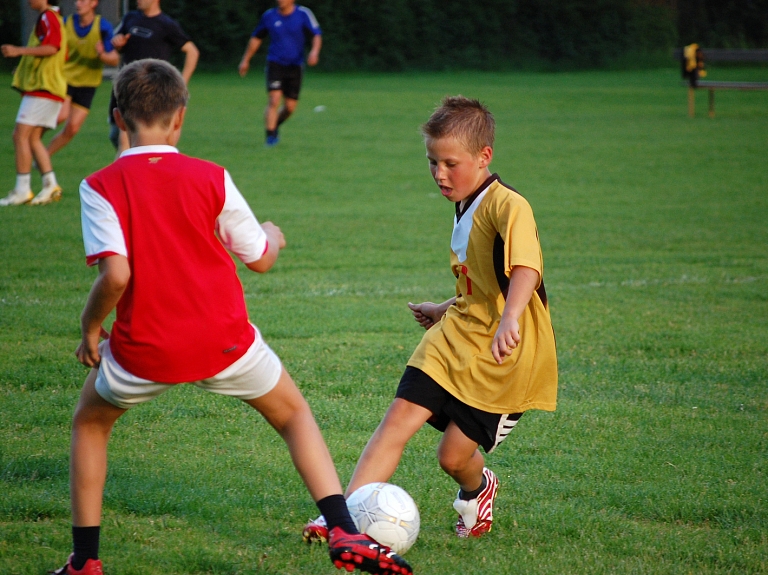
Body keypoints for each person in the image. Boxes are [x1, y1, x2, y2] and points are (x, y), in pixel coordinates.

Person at [51, 60, 412, 575]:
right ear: (180, 118)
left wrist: (90, 330)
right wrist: (273, 232)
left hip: (144, 348)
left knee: (91, 424)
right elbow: (261, 258)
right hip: (225, 340)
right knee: (293, 416)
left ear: (117, 117)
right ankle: (342, 529)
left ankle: (85, 562)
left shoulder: (99, 185)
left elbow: (115, 275)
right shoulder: (211, 177)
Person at [304, 96, 558, 543]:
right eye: (432, 162)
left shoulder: (508, 205)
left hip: (506, 356)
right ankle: (341, 521)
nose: (440, 173)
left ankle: (478, 489)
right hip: (455, 335)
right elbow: (480, 281)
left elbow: (525, 269)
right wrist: (444, 309)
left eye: (450, 163)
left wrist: (510, 318)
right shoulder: (465, 200)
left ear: (484, 158)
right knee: (397, 420)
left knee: (453, 458)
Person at [108, 0, 198, 153]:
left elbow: (192, 51)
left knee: (126, 140)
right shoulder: (130, 18)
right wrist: (118, 44)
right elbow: (116, 45)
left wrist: (181, 83)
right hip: (126, 87)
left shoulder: (166, 24)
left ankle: (126, 174)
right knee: (115, 135)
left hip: (150, 90)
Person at [1, 0, 66, 206]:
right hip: (49, 88)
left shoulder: (48, 17)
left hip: (44, 88)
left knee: (20, 135)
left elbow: (52, 47)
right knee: (33, 138)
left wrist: (19, 51)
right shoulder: (52, 17)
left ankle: (22, 190)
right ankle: (50, 184)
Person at [238, 0, 321, 147]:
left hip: (295, 66)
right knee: (274, 99)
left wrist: (314, 52)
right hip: (275, 63)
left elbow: (316, 34)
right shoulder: (269, 16)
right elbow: (257, 37)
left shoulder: (303, 14)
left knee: (290, 107)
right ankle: (270, 137)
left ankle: (274, 124)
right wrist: (246, 59)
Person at [46, 0, 119, 157]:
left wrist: (101, 54)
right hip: (65, 78)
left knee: (72, 128)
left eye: (83, 0)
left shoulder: (102, 27)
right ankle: (29, 138)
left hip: (88, 84)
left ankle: (42, 156)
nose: (78, 4)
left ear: (93, 3)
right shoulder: (66, 23)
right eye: (77, 0)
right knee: (61, 116)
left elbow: (114, 59)